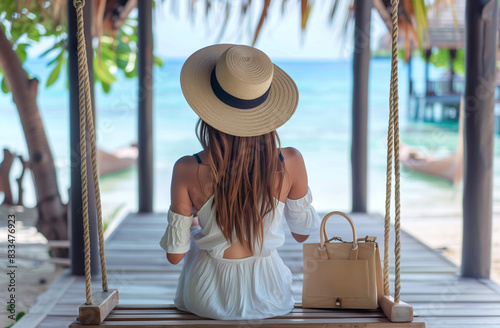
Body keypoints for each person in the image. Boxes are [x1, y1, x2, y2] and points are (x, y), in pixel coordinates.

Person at [159, 44, 321, 320]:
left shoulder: (187, 168)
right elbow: (302, 233)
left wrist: (204, 221)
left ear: (208, 110)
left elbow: (175, 255)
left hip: (208, 297)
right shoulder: (291, 161)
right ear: (267, 111)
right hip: (270, 295)